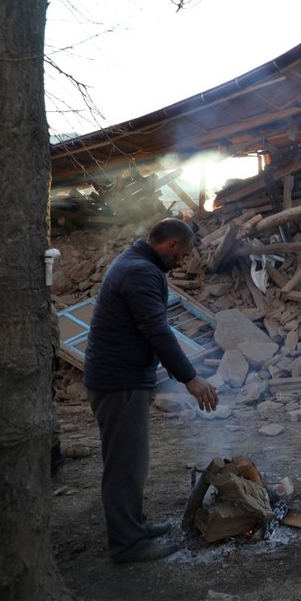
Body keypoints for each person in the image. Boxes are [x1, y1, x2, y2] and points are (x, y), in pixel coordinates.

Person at [84, 218, 219, 563]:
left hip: (121, 379)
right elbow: (156, 330)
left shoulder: (134, 263)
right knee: (125, 466)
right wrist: (190, 378)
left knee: (132, 462)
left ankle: (135, 525)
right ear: (172, 245)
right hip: (120, 382)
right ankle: (127, 545)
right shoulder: (140, 272)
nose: (184, 260)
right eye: (184, 253)